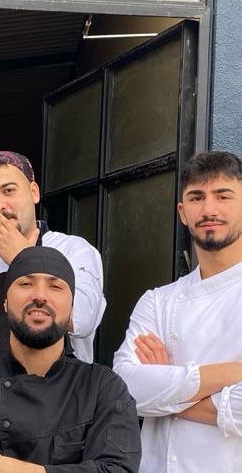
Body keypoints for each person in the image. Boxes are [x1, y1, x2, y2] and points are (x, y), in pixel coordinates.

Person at [0, 246, 141, 473]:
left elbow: (118, 469)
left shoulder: (103, 388)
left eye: (55, 286)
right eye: (26, 284)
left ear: (71, 308)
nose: (39, 295)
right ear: (5, 302)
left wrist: (14, 470)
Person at [113, 151, 242, 472]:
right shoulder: (158, 301)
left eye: (223, 196)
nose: (209, 210)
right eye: (197, 198)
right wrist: (233, 372)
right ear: (183, 212)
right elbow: (125, 388)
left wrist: (165, 392)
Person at [0, 151, 105, 384]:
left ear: (34, 192)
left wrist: (23, 258)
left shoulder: (74, 251)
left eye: (9, 191)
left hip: (57, 399)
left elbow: (84, 320)